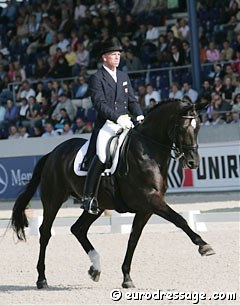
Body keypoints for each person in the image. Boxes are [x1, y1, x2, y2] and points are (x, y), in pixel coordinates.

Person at [81, 38, 144, 215]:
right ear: (104, 58)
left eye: (118, 55)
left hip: (126, 122)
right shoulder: (97, 78)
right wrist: (117, 118)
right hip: (107, 125)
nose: (117, 58)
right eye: (113, 55)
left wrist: (139, 114)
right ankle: (88, 197)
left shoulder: (123, 76)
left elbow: (131, 99)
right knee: (102, 155)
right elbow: (99, 104)